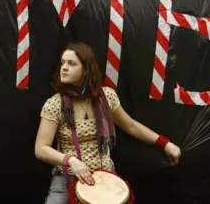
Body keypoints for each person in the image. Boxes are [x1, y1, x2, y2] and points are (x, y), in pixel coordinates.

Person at [34, 42, 181, 204]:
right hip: (66, 176)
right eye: (62, 63)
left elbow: (131, 126)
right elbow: (41, 149)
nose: (64, 67)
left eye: (71, 63)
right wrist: (71, 161)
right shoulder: (55, 104)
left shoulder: (106, 97)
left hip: (104, 176)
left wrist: (164, 143)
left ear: (86, 71)